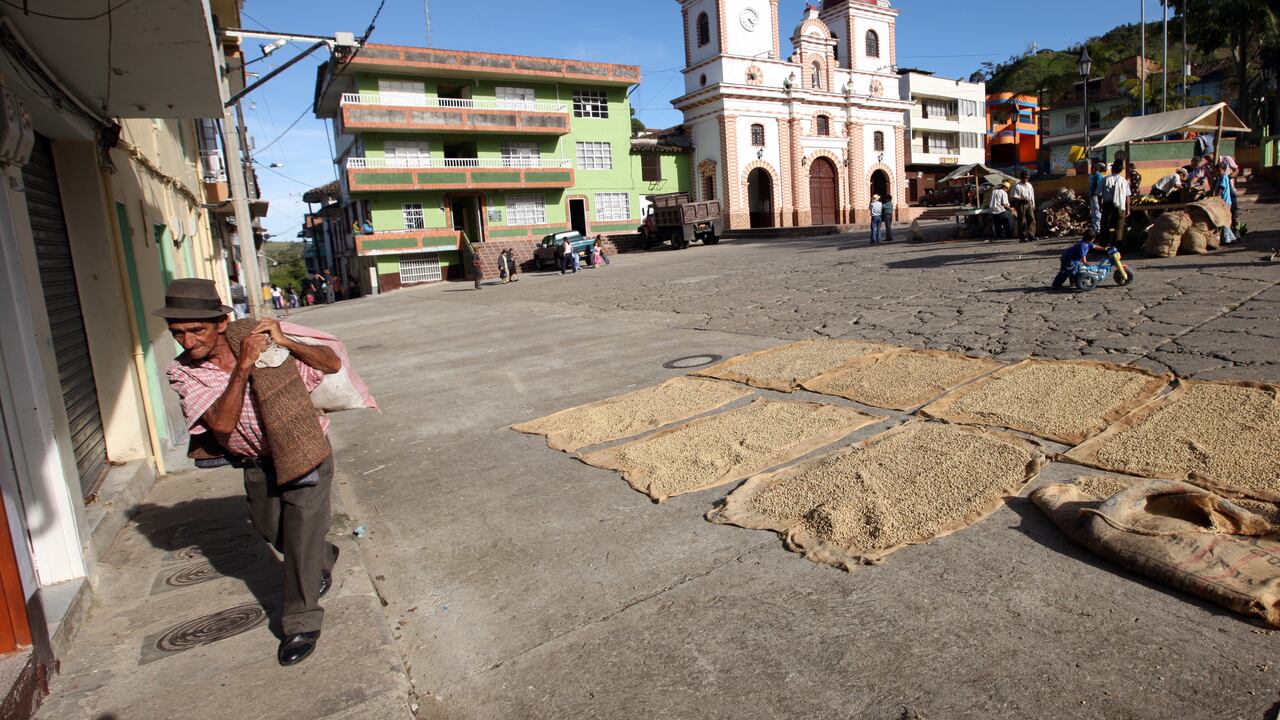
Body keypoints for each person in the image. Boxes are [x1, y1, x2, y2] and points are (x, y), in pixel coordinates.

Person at [156, 278, 342, 666]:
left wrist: (287, 341)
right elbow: (221, 426)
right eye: (178, 334)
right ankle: (322, 555)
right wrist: (241, 367)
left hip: (305, 450)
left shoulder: (262, 336)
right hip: (256, 462)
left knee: (302, 534)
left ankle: (300, 623)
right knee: (270, 529)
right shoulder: (184, 373)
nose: (188, 342)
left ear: (222, 322)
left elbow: (332, 363)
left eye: (196, 330)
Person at [1101, 162, 1131, 245]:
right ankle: (1118, 245)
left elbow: (1099, 194)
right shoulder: (1124, 181)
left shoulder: (1104, 179)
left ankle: (1104, 245)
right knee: (1119, 227)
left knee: (1105, 226)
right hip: (1120, 206)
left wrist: (1101, 205)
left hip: (1107, 205)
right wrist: (1128, 209)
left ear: (1113, 169)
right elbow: (1127, 196)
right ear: (1121, 170)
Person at [1010, 171, 1037, 243]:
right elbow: (1014, 197)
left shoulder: (1029, 185)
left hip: (1029, 204)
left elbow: (1032, 195)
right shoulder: (1017, 186)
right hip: (1021, 204)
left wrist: (1033, 204)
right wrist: (1023, 198)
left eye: (1027, 178)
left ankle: (1031, 235)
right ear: (1021, 178)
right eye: (1024, 178)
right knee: (1022, 221)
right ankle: (1022, 237)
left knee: (1032, 219)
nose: (1026, 179)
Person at [1088, 161, 1106, 234]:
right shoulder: (1094, 176)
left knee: (1096, 213)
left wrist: (1095, 195)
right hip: (1094, 196)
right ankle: (1096, 229)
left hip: (1095, 196)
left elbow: (1098, 188)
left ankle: (1097, 230)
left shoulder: (1097, 176)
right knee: (1095, 213)